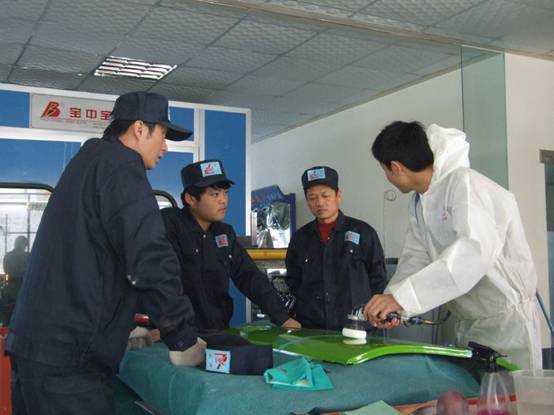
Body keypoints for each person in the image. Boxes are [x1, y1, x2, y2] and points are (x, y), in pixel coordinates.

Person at [7, 92, 205, 415]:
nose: (165, 147)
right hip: (70, 366)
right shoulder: (122, 167)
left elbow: (95, 261)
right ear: (139, 129)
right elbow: (149, 257)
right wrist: (182, 337)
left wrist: (125, 326)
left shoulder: (87, 163)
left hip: (36, 350)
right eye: (162, 134)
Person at [364, 121, 542, 370]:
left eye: (385, 170)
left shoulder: (465, 185)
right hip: (470, 322)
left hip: (506, 324)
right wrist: (394, 301)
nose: (387, 177)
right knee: (476, 392)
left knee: (513, 392)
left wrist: (402, 299)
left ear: (396, 167)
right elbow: (416, 258)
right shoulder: (421, 201)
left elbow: (473, 254)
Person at [161, 160, 300, 332]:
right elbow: (161, 281)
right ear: (190, 198)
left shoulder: (224, 233)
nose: (223, 201)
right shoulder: (169, 226)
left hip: (217, 330)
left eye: (225, 193)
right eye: (214, 194)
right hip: (176, 332)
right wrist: (166, 325)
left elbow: (249, 276)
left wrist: (282, 316)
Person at [285, 166, 387, 330]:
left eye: (325, 195)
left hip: (357, 327)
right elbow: (293, 281)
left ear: (338, 196)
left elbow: (378, 279)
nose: (319, 203)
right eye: (312, 198)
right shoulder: (300, 238)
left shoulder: (363, 232)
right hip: (312, 329)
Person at [1, 236, 30, 324]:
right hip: (21, 288)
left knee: (9, 316)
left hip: (13, 288)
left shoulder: (9, 256)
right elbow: (8, 271)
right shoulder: (28, 256)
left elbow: (8, 271)